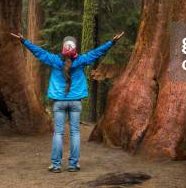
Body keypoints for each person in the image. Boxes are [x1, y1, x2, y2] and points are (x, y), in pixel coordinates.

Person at [10, 31, 125, 173]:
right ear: (75, 48)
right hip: (75, 102)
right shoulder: (81, 60)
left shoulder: (54, 60)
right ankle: (73, 165)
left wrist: (24, 40)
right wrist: (112, 42)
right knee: (75, 133)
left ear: (63, 49)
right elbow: (97, 53)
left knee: (58, 133)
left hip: (59, 102)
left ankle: (56, 165)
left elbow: (38, 52)